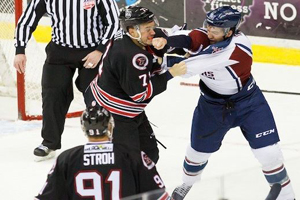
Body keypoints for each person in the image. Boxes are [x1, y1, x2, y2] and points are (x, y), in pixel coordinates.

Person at [152, 6, 296, 200]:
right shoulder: (211, 36)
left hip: (249, 104)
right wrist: (167, 41)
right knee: (196, 153)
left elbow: (188, 67)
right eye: (208, 26)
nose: (209, 32)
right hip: (212, 106)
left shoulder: (236, 48)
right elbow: (190, 37)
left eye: (215, 30)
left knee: (270, 154)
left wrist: (152, 61)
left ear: (229, 32)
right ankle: (186, 184)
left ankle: (287, 197)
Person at [13, 0, 120, 161]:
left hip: (92, 52)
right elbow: (27, 20)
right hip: (59, 52)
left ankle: (107, 140)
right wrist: (19, 50)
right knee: (53, 96)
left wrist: (100, 50)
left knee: (98, 98)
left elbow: (113, 23)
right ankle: (49, 143)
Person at [84, 5, 186, 164]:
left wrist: (177, 45)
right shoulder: (131, 56)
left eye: (153, 26)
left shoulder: (131, 36)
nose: (152, 32)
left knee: (150, 153)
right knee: (127, 161)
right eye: (148, 29)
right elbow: (140, 95)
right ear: (132, 31)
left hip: (114, 99)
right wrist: (170, 73)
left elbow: (163, 39)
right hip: (114, 112)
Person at [35, 105, 170, 200]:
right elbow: (160, 197)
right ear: (110, 126)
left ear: (84, 129)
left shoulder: (67, 159)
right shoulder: (134, 156)